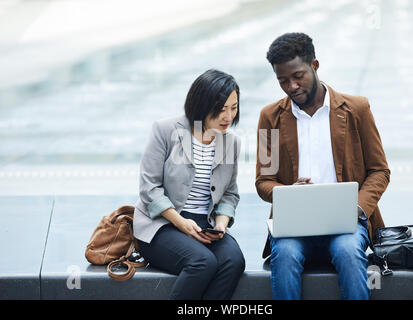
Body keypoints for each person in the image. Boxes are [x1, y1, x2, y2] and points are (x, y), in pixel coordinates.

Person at [255, 32, 390, 300]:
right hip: (294, 226)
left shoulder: (357, 109)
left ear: (314, 66)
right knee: (285, 254)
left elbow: (379, 170)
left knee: (348, 251)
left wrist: (358, 208)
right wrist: (287, 192)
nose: (291, 86)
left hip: (347, 224)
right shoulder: (270, 117)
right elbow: (263, 180)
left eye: (298, 76)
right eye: (283, 81)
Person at [133, 69, 245, 300]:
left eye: (233, 108)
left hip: (205, 224)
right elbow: (149, 187)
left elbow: (230, 195)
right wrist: (182, 223)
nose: (228, 116)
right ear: (202, 105)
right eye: (221, 109)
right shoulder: (165, 130)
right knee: (202, 262)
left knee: (234, 261)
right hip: (163, 224)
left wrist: (221, 225)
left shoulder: (230, 142)